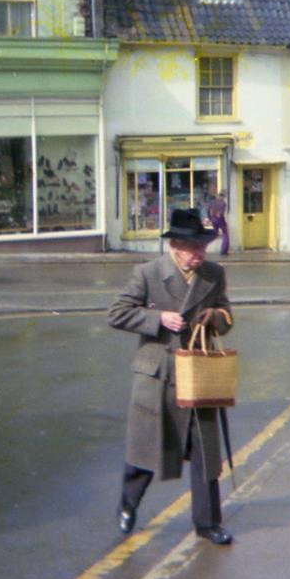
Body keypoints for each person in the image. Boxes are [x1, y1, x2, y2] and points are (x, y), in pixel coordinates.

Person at [107, 208, 235, 545]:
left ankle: (207, 523)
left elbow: (227, 314)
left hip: (199, 371)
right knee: (148, 450)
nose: (200, 254)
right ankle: (128, 501)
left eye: (203, 247)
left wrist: (215, 318)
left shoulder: (214, 274)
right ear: (175, 246)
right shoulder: (147, 273)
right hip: (159, 374)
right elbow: (117, 313)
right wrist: (158, 319)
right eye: (194, 248)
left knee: (206, 453)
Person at [207, 190, 229, 255]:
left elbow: (208, 211)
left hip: (213, 219)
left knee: (214, 234)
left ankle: (204, 246)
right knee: (225, 234)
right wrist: (223, 221)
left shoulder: (213, 202)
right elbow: (221, 213)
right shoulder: (223, 203)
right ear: (223, 196)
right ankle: (223, 251)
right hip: (219, 219)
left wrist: (210, 218)